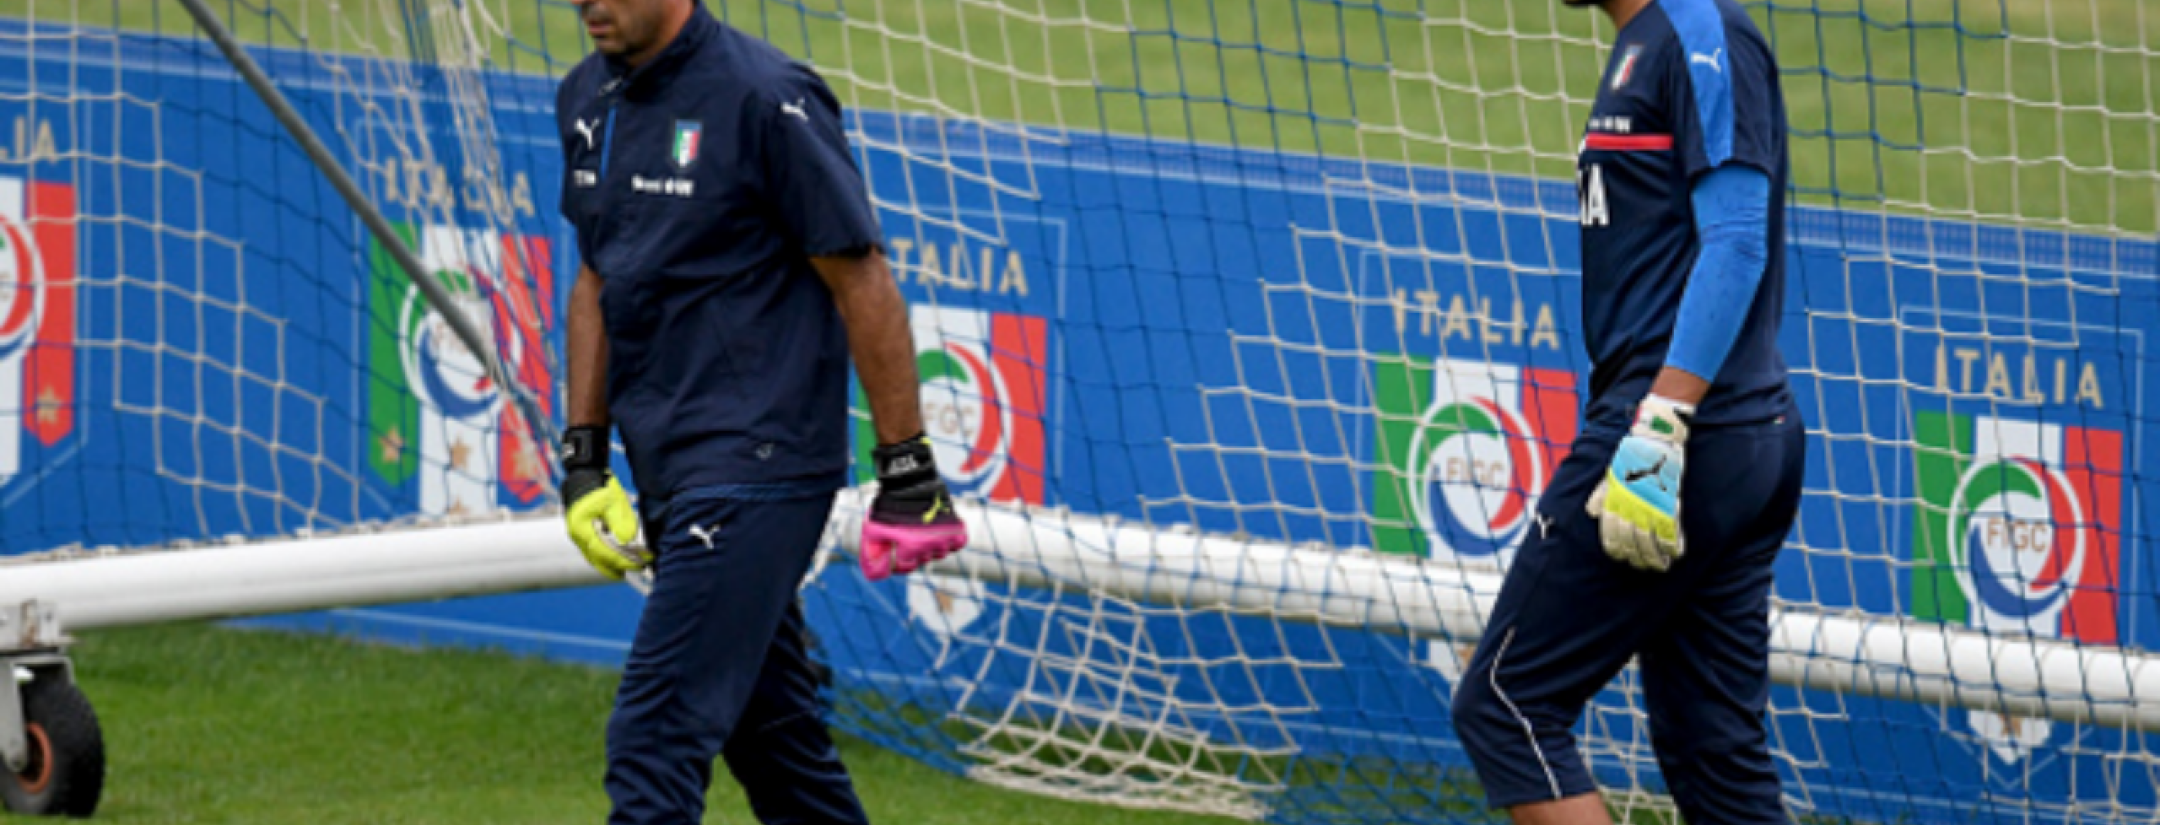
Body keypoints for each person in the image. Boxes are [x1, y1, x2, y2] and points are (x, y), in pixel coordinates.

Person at [551, 0, 969, 822]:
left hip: (761, 466)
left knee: (653, 736)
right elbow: (595, 279)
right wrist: (585, 461)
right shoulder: (582, 96)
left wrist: (908, 470)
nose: (586, 2)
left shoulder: (767, 97)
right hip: (669, 465)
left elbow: (863, 279)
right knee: (775, 745)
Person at [1446, 0, 1803, 823]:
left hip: (1680, 433)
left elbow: (1738, 239)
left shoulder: (1702, 30)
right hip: (1720, 433)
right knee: (1714, 757)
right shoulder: (1646, 41)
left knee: (1505, 703)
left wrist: (1662, 424)